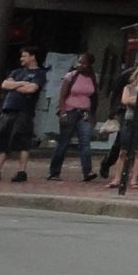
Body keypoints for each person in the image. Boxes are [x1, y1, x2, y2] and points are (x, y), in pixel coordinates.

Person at [0, 49, 44, 182]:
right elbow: (5, 84)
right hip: (8, 109)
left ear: (32, 57)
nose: (22, 59)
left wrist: (14, 85)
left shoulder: (40, 73)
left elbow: (31, 89)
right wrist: (22, 84)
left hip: (25, 111)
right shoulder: (16, 72)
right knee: (2, 138)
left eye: (24, 56)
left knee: (23, 139)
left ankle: (21, 171)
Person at [106, 56, 138, 191]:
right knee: (123, 151)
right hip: (129, 121)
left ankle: (134, 179)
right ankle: (117, 178)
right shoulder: (128, 87)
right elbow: (125, 100)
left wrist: (137, 102)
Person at [47, 52, 99, 181]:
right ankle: (54, 172)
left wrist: (92, 115)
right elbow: (62, 96)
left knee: (85, 142)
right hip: (70, 110)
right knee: (64, 142)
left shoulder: (93, 78)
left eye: (83, 63)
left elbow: (94, 97)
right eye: (79, 62)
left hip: (84, 112)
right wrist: (63, 112)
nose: (79, 65)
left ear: (89, 65)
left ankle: (87, 172)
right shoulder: (71, 76)